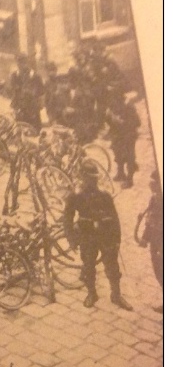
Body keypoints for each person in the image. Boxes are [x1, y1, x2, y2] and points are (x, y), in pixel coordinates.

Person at [63, 160, 132, 311]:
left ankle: (116, 295)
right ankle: (92, 294)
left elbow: (114, 218)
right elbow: (67, 218)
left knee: (113, 268)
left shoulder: (104, 195)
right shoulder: (76, 196)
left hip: (105, 235)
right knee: (88, 267)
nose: (93, 181)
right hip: (87, 236)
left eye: (95, 178)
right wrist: (72, 239)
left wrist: (117, 240)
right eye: (90, 178)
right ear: (82, 177)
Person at [135, 171, 163, 312]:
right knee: (159, 271)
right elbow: (150, 220)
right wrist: (145, 238)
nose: (151, 184)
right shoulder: (154, 198)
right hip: (155, 242)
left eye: (155, 182)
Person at [104, 94, 140, 188]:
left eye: (113, 100)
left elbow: (137, 122)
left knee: (129, 157)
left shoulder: (129, 107)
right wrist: (109, 117)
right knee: (118, 155)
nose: (111, 103)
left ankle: (130, 179)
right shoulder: (112, 107)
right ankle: (121, 173)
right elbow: (109, 121)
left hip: (128, 136)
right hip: (117, 136)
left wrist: (122, 122)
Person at [7, 54, 45, 131]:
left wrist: (32, 93)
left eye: (23, 63)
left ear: (27, 63)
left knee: (34, 130)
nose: (21, 65)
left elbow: (41, 91)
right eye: (19, 63)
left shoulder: (35, 76)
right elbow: (11, 90)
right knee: (19, 130)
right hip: (20, 108)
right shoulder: (14, 76)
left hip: (32, 108)